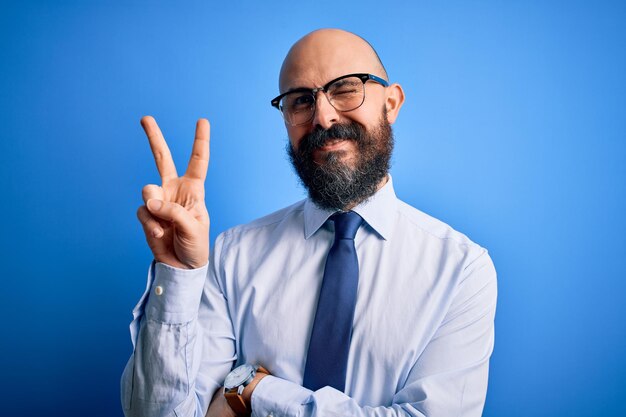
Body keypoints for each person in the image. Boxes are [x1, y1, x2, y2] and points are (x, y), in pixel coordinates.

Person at [121, 28, 497, 417]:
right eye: (301, 100)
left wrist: (255, 388)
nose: (323, 116)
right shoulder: (233, 254)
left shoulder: (462, 270)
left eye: (346, 88)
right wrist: (178, 273)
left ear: (392, 102)